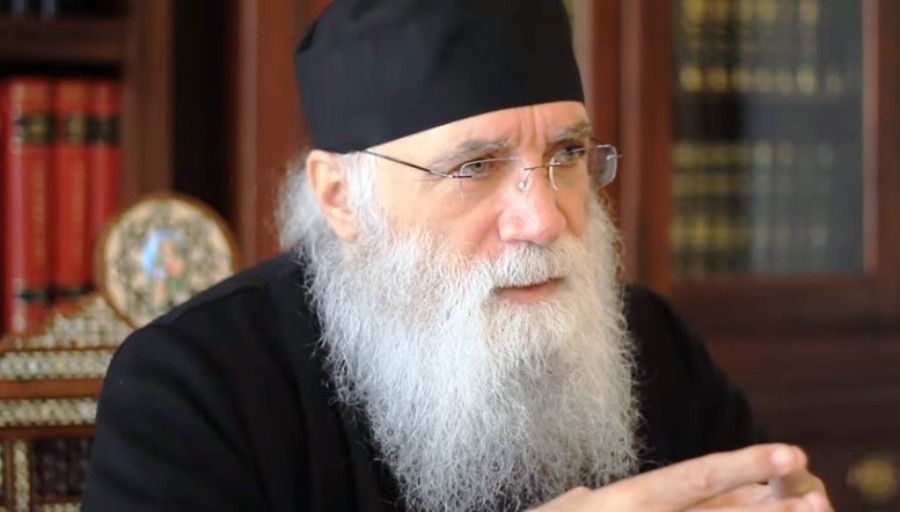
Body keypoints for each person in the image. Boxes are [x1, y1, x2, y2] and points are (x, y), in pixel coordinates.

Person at [83, 1, 833, 510]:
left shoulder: (655, 345)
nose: (543, 219)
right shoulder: (193, 384)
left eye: (567, 154)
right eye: (475, 167)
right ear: (340, 198)